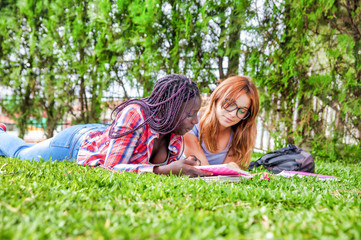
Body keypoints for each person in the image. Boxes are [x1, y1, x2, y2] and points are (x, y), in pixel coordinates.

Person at [0, 74, 212, 177]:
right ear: (170, 109)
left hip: (107, 135)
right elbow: (111, 167)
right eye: (189, 114)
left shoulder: (174, 132)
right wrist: (164, 170)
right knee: (22, 153)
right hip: (76, 143)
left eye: (196, 114)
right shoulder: (136, 114)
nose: (195, 121)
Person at [184, 75, 259, 169]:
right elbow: (203, 171)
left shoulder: (239, 133)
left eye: (241, 111)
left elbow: (227, 174)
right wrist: (231, 168)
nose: (233, 114)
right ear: (217, 97)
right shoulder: (192, 122)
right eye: (230, 104)